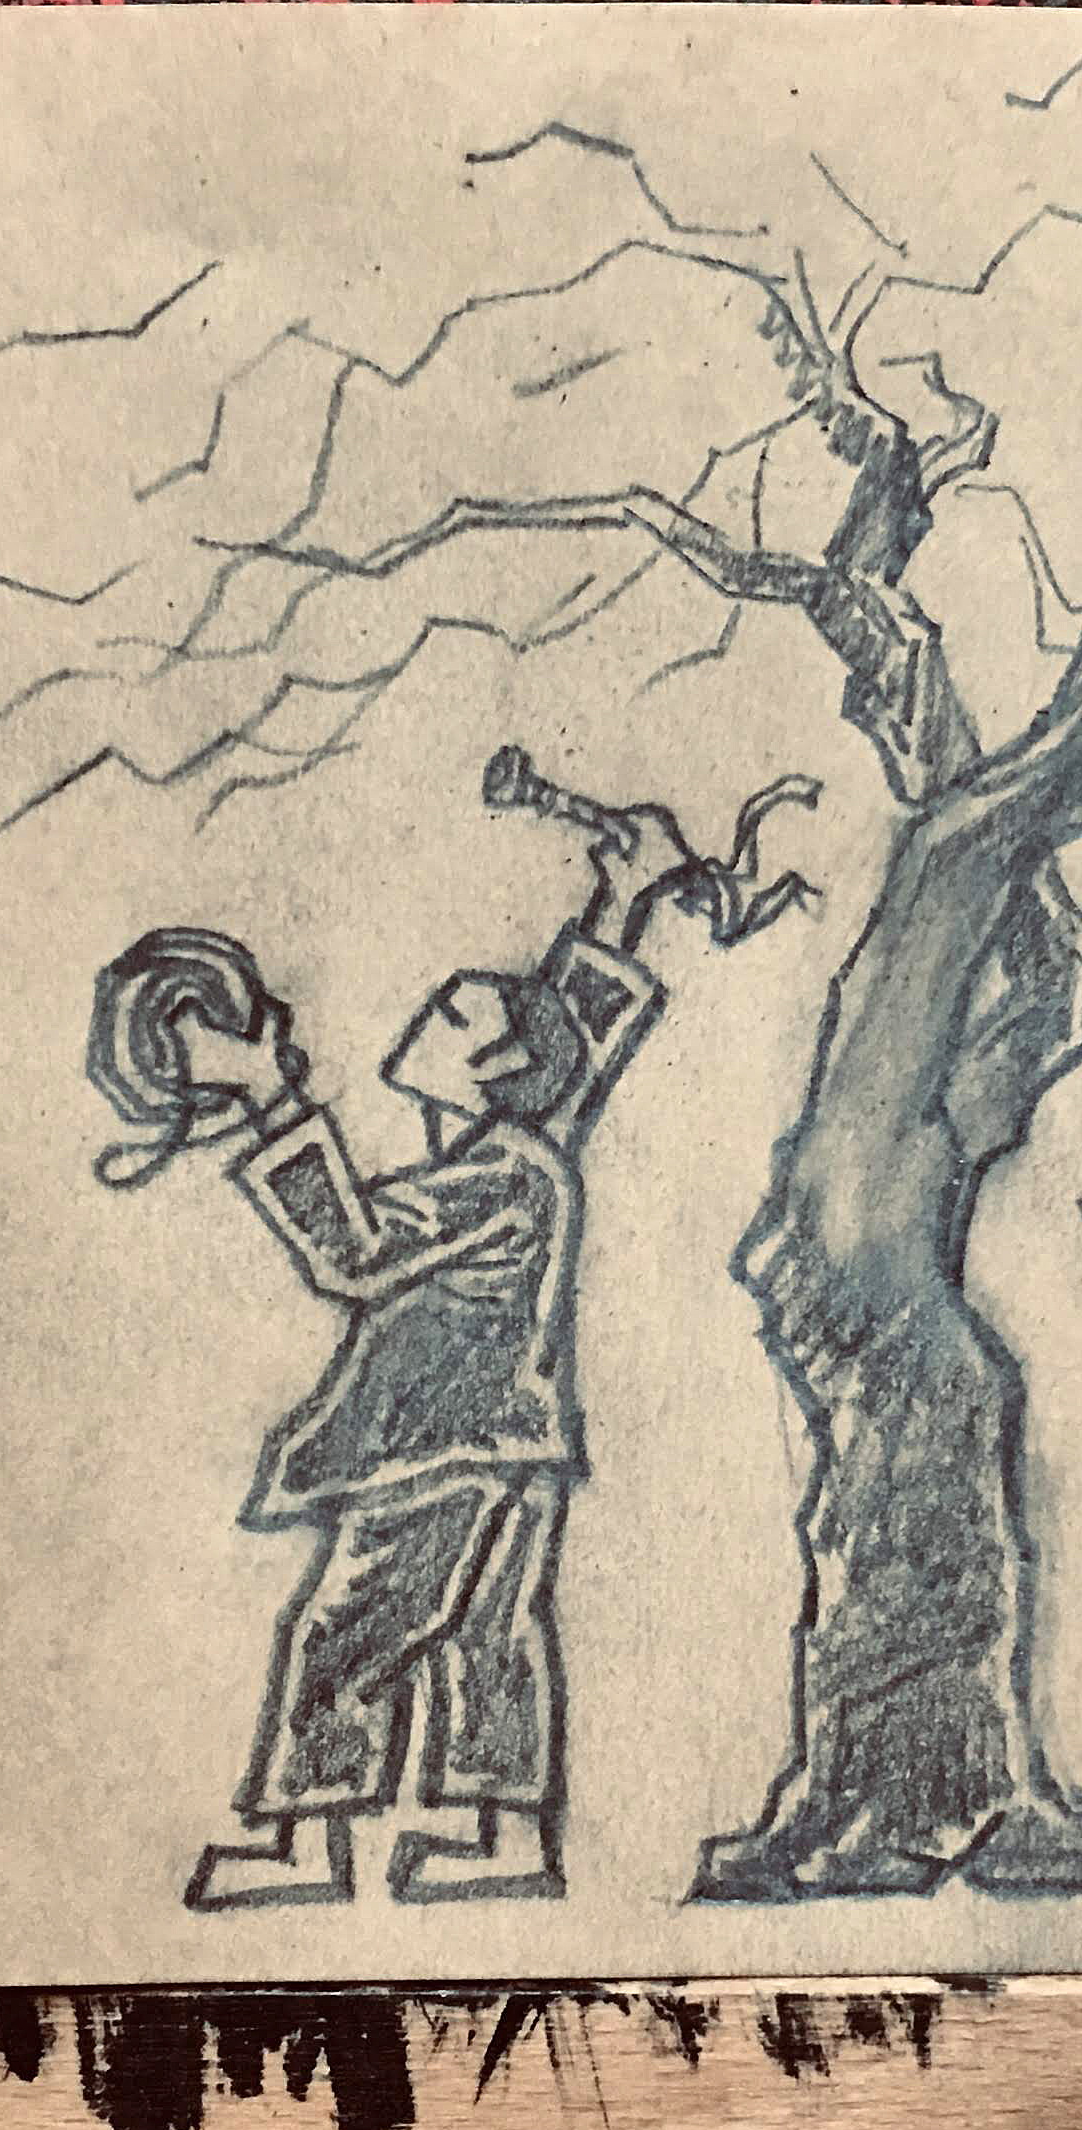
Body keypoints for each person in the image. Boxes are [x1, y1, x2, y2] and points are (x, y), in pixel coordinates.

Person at [167, 805, 700, 1909]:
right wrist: (621, 901)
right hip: (514, 1450)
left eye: (456, 1013)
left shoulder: (490, 1176)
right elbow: (570, 1041)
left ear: (489, 1069)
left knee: (345, 1635)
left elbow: (355, 1252)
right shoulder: (528, 1146)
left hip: (440, 1453)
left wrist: (265, 1093)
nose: (431, 1010)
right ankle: (510, 1842)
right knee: (490, 1641)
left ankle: (304, 1848)